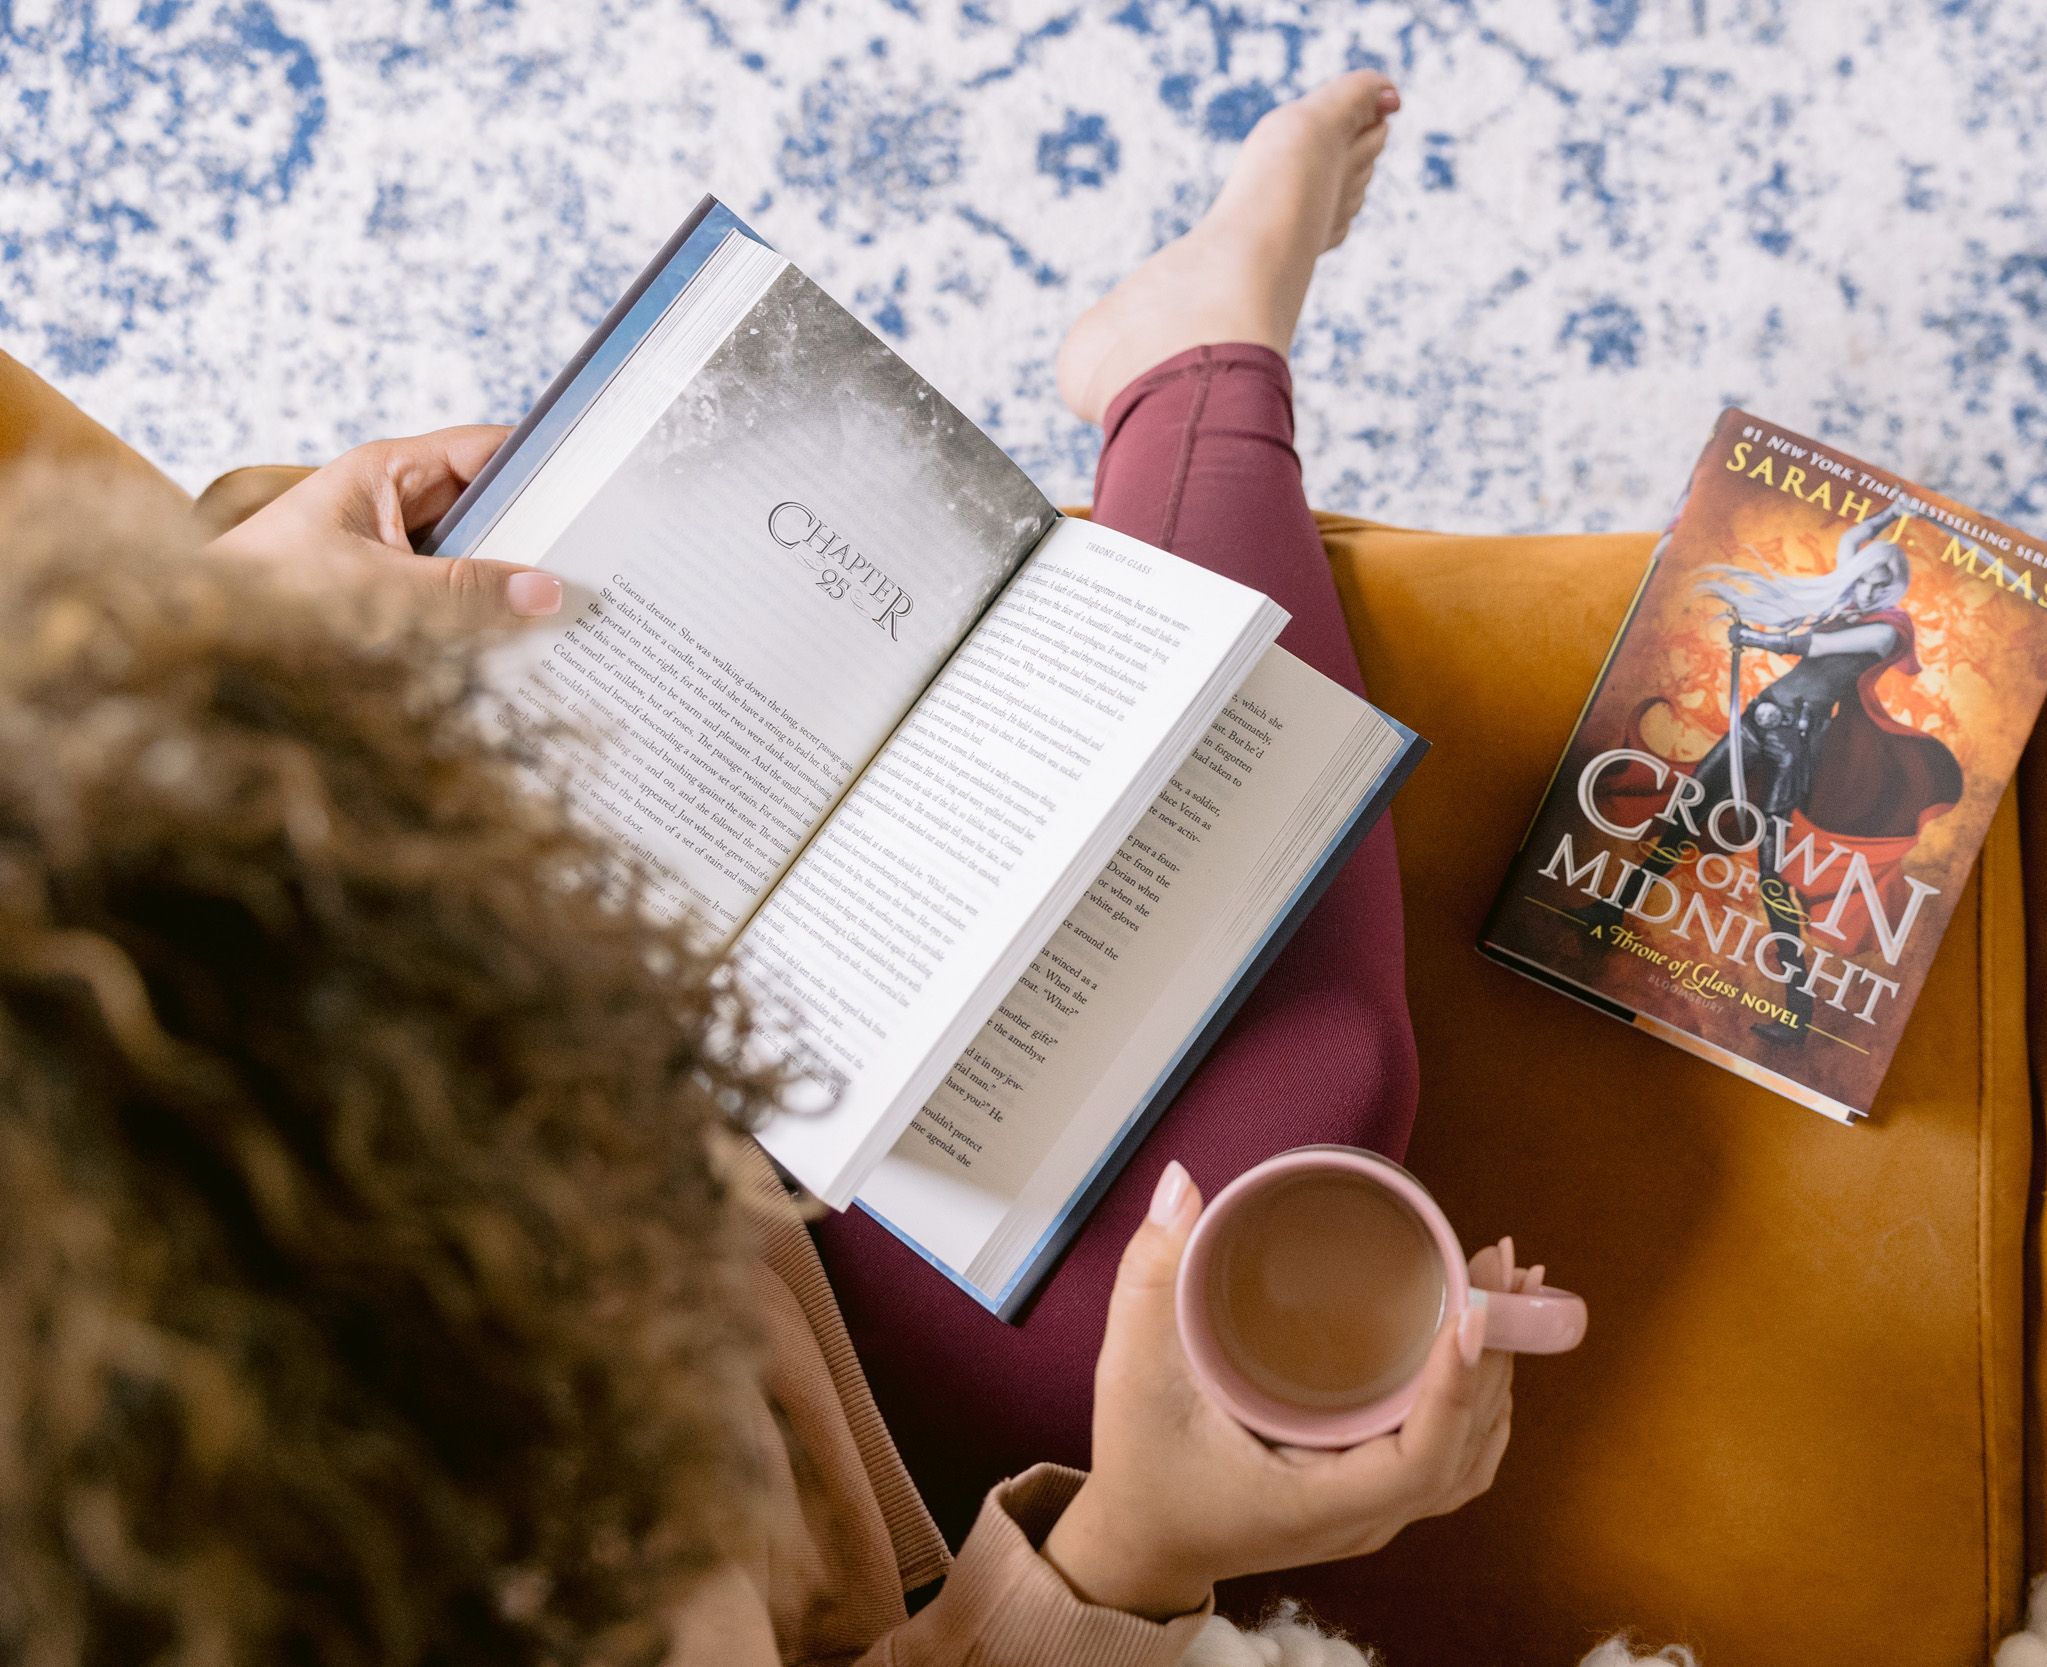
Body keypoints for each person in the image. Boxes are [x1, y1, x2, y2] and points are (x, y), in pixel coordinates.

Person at [4, 70, 1527, 1665]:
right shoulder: (452, 1569)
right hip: (803, 1402)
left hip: (682, 1228)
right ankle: (1195, 362)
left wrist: (220, 632)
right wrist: (1135, 1546)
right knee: (1269, 1156)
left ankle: (1193, 367)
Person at [1578, 498, 1964, 1042]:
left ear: (1895, 587)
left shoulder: (1887, 631)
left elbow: (1816, 644)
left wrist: (1760, 639)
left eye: (1883, 580)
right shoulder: (1850, 600)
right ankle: (1609, 911)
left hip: (1794, 746)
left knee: (1771, 870)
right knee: (1685, 814)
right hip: (1753, 724)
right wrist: (1894, 511)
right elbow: (1855, 542)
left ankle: (1798, 1011)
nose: (1870, 587)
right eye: (1865, 576)